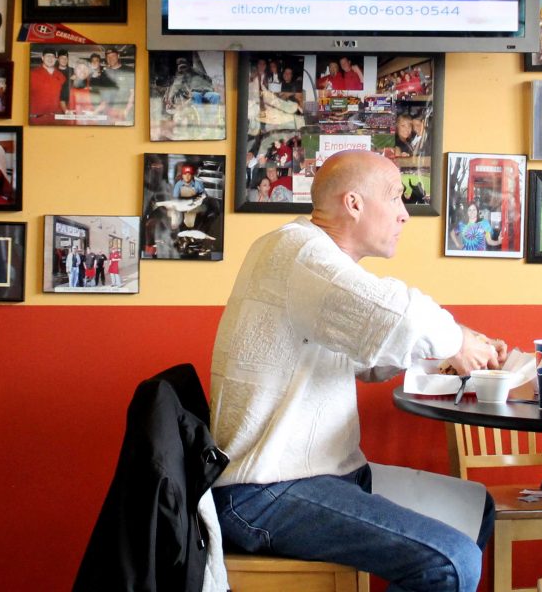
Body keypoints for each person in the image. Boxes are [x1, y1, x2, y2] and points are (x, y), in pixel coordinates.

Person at [210, 151, 503, 591]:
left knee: (476, 508)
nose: (405, 214)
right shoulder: (300, 253)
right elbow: (399, 316)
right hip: (265, 490)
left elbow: (368, 359)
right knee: (452, 561)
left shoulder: (316, 262)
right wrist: (457, 341)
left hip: (317, 475)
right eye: (395, 198)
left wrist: (452, 349)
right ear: (353, 203)